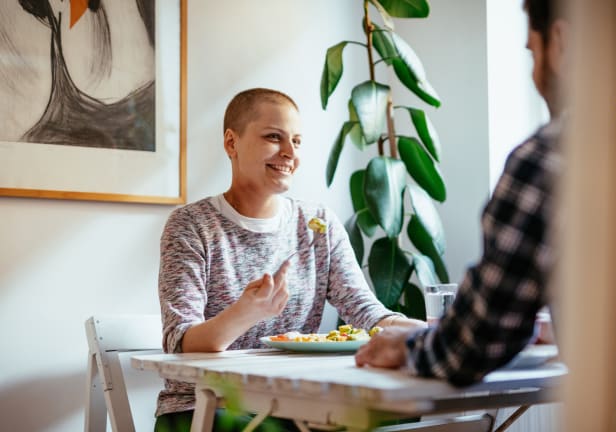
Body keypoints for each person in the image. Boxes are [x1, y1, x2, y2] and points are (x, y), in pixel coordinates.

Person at [155, 88, 424, 431]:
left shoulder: (318, 225)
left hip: (293, 406)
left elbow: (367, 314)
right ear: (231, 143)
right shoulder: (191, 225)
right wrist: (247, 312)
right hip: (203, 408)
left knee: (401, 414)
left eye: (296, 141)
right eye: (273, 137)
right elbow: (182, 341)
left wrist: (433, 333)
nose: (289, 153)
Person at [354, 0, 568, 386]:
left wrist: (408, 343)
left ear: (561, 43)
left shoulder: (545, 159)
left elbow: (474, 343)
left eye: (533, 53)